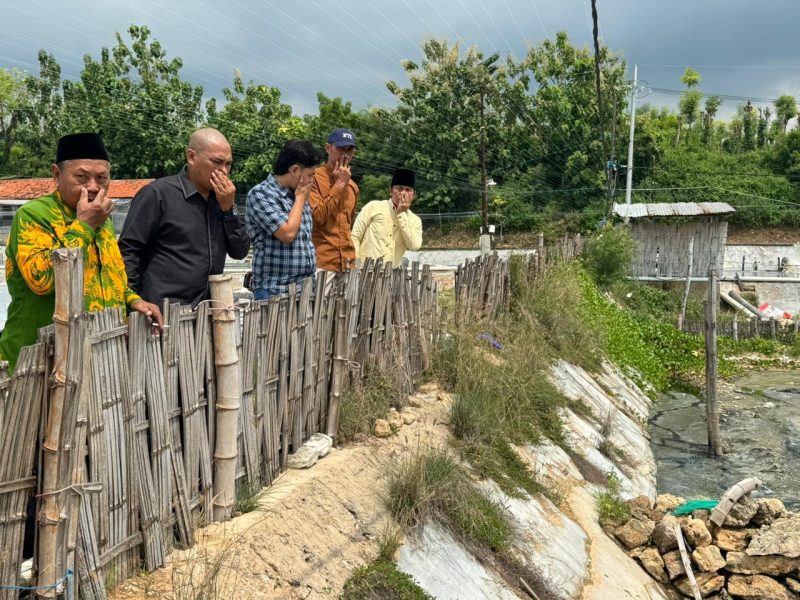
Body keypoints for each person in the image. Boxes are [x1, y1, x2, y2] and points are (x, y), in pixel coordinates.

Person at [0, 133, 163, 372]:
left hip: (97, 357)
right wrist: (84, 225)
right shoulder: (34, 215)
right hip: (40, 361)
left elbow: (108, 278)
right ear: (57, 174)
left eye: (102, 178)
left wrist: (134, 300)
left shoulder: (102, 220)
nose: (94, 187)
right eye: (82, 177)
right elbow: (42, 281)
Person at [118, 128, 250, 307]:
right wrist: (131, 302)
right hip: (164, 312)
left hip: (208, 313)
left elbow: (240, 251)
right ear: (191, 157)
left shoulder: (221, 199)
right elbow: (129, 251)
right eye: (217, 162)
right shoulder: (158, 194)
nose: (224, 171)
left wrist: (228, 209)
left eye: (228, 164)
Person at [246, 140, 322, 299]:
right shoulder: (261, 194)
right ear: (294, 170)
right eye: (310, 175)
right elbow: (287, 233)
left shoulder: (297, 194)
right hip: (275, 291)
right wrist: (301, 198)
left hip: (305, 288)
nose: (311, 181)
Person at [310, 128, 359, 273]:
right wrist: (339, 185)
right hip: (322, 263)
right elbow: (317, 217)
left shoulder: (353, 187)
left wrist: (344, 183)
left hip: (348, 263)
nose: (344, 154)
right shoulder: (313, 178)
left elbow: (348, 225)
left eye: (349, 150)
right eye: (340, 148)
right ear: (328, 148)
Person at [352, 168, 423, 267]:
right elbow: (355, 236)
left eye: (408, 190)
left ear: (413, 195)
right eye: (399, 188)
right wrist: (356, 266)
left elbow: (414, 245)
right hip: (365, 272)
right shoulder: (373, 207)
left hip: (390, 276)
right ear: (391, 191)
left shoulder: (415, 221)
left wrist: (401, 214)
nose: (403, 193)